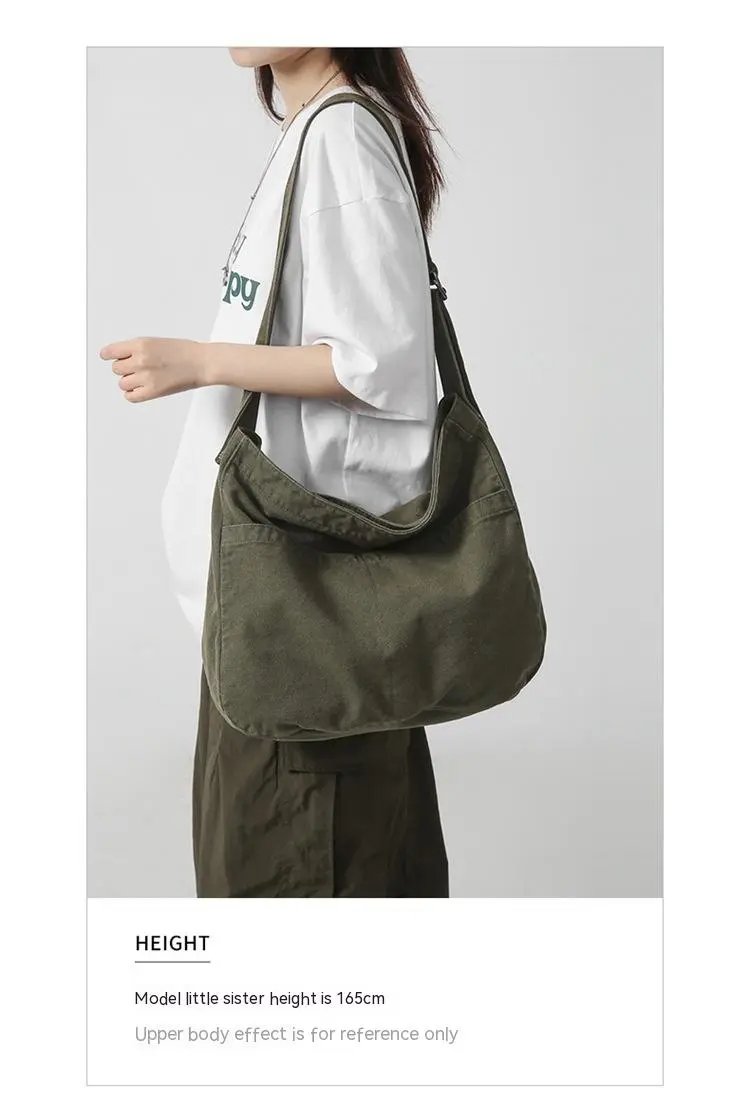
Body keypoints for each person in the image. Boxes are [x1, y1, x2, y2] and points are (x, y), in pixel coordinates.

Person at [100, 47, 450, 898]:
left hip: (307, 624)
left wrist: (201, 361)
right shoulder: (312, 132)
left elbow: (379, 364)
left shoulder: (343, 138)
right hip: (272, 620)